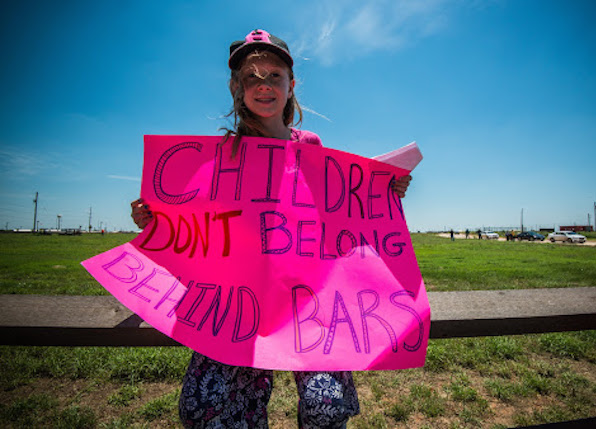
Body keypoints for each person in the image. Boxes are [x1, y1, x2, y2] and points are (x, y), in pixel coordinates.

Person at [131, 29, 412, 428]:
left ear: (291, 84)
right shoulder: (224, 154)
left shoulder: (310, 145)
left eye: (274, 76)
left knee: (325, 405)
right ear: (236, 87)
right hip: (240, 302)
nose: (263, 86)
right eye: (251, 77)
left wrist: (386, 188)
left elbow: (337, 208)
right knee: (204, 405)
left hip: (308, 299)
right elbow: (199, 223)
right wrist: (156, 218)